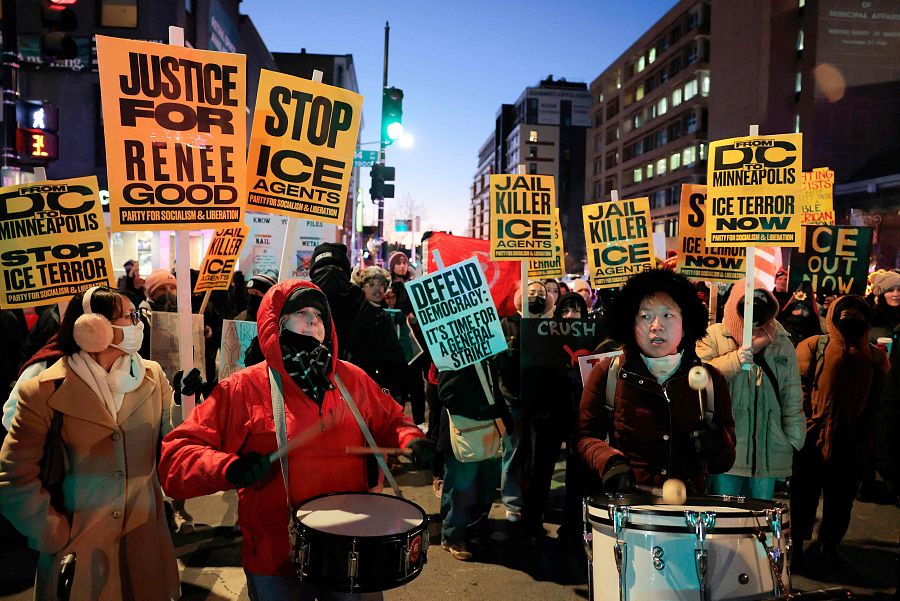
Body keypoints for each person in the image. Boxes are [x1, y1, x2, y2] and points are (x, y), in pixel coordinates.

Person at [158, 280, 432, 601]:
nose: (314, 321)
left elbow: (391, 420)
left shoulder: (352, 379)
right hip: (276, 554)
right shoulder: (243, 388)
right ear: (276, 324)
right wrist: (228, 467)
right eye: (301, 312)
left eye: (319, 313)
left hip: (352, 545)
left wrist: (411, 438)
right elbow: (176, 458)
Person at [0, 286, 181, 600]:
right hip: (78, 553)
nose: (139, 323)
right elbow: (12, 477)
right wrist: (52, 532)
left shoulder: (152, 377)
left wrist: (189, 404)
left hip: (144, 544)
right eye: (130, 316)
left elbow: (173, 446)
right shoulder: (41, 391)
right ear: (92, 327)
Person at [576, 269, 736, 496]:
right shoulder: (607, 374)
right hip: (628, 509)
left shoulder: (711, 381)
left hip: (690, 514)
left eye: (668, 315)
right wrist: (609, 462)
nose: (656, 325)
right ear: (630, 323)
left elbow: (724, 462)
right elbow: (585, 437)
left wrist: (717, 443)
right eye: (645, 316)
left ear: (686, 322)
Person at [792, 295, 888, 571]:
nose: (853, 320)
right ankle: (797, 545)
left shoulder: (874, 356)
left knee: (841, 499)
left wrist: (868, 439)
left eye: (859, 315)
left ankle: (830, 545)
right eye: (847, 314)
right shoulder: (814, 346)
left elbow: (879, 400)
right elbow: (798, 388)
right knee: (804, 496)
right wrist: (805, 425)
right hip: (813, 437)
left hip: (851, 440)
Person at [697, 279, 805, 500]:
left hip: (769, 453)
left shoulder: (780, 341)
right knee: (724, 524)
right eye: (748, 302)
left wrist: (793, 440)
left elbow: (791, 393)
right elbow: (698, 378)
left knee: (759, 526)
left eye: (762, 302)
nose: (756, 308)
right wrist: (735, 360)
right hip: (727, 453)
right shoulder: (714, 336)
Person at [437, 360, 507, 561]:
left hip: (488, 428)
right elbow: (446, 394)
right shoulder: (452, 356)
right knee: (460, 487)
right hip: (465, 431)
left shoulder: (488, 354)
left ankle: (472, 529)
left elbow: (494, 388)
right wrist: (481, 410)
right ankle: (452, 536)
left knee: (486, 484)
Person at [866, 270, 900, 504]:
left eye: (899, 289)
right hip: (875, 386)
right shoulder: (871, 318)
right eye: (890, 289)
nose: (896, 294)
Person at [777, 282, 822, 348]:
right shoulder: (782, 329)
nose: (800, 310)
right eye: (797, 307)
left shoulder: (815, 331)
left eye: (804, 308)